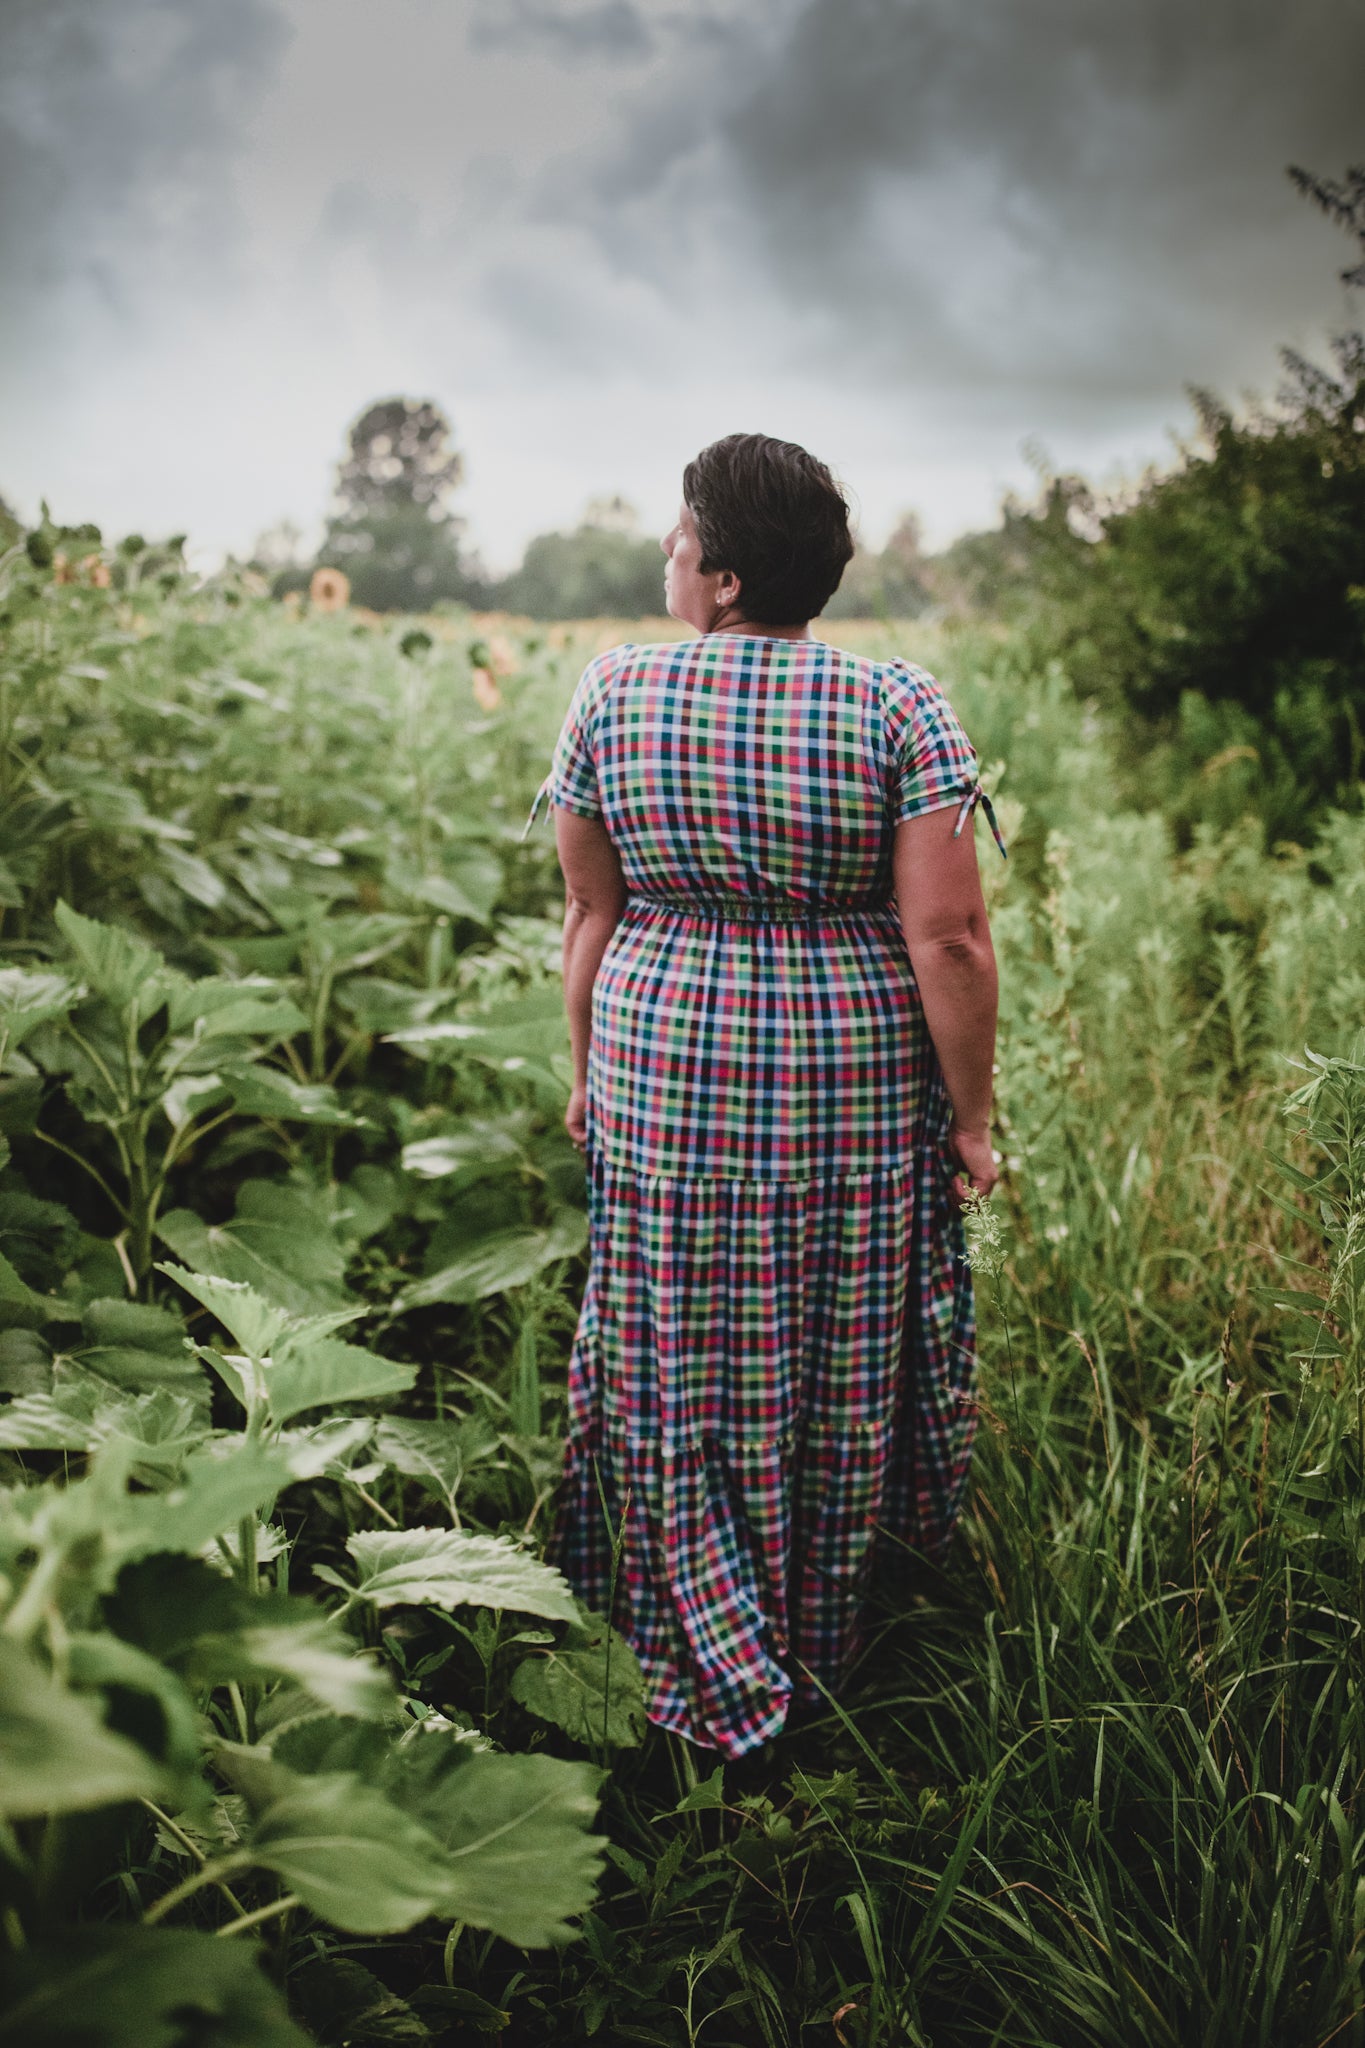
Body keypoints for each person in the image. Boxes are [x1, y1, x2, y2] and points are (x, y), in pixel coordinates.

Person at [521, 432, 1004, 1759]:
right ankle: (826, 1636)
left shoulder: (612, 694)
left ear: (724, 578)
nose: (667, 556)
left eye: (680, 538)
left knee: (680, 1343)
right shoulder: (900, 708)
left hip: (662, 1066)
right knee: (834, 1341)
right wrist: (968, 1120)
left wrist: (585, 1081)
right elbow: (949, 940)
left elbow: (586, 913)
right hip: (844, 1085)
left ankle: (674, 1625)